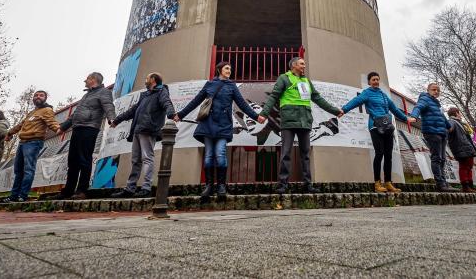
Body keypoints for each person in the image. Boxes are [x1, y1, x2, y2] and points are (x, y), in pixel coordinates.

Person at [175, 63, 261, 200]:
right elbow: (196, 101)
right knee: (209, 155)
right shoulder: (210, 84)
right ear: (219, 70)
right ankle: (209, 186)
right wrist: (180, 114)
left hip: (224, 124)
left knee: (220, 154)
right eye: (227, 68)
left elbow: (242, 104)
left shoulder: (232, 86)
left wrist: (256, 116)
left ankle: (221, 186)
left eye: (230, 69)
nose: (229, 70)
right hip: (208, 123)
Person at [257, 57, 342, 195]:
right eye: (302, 64)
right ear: (294, 65)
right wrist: (264, 113)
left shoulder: (306, 81)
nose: (304, 66)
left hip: (305, 121)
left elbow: (318, 99)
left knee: (305, 154)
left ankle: (308, 184)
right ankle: (283, 184)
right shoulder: (284, 78)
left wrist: (335, 111)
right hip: (289, 121)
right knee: (286, 153)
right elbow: (274, 96)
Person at [341, 71, 415, 194]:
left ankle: (388, 182)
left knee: (388, 155)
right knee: (379, 153)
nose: (376, 81)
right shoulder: (367, 94)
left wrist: (406, 118)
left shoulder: (384, 95)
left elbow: (395, 110)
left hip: (387, 127)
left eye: (377, 79)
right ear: (369, 82)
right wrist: (344, 110)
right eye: (373, 79)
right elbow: (355, 101)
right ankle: (377, 183)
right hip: (375, 126)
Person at [110, 73, 176, 198]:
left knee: (147, 158)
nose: (145, 80)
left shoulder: (161, 91)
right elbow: (132, 110)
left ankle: (146, 187)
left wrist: (172, 114)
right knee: (135, 160)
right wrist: (117, 120)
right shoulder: (144, 95)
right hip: (137, 129)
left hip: (148, 129)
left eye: (147, 78)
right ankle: (130, 188)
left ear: (153, 80)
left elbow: (166, 103)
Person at [56, 72, 115, 200]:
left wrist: (111, 118)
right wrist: (63, 127)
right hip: (77, 128)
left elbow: (108, 105)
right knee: (73, 161)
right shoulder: (86, 95)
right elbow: (75, 114)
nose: (85, 80)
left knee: (84, 159)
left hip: (90, 128)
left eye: (87, 78)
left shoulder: (104, 92)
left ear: (93, 79)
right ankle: (68, 190)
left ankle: (82, 190)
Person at [3, 90, 61, 202]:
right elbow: (20, 125)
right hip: (22, 142)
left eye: (41, 95)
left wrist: (59, 129)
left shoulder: (47, 110)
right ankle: (13, 196)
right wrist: (9, 133)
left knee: (28, 169)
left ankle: (23, 195)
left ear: (45, 98)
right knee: (18, 170)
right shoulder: (32, 112)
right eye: (36, 95)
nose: (38, 97)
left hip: (34, 142)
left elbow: (51, 122)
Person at [409, 83, 455, 192]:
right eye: (434, 89)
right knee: (436, 157)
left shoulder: (437, 104)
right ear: (428, 90)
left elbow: (442, 116)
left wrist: (448, 126)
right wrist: (414, 117)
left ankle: (444, 182)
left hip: (442, 132)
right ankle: (440, 183)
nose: (436, 92)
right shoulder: (425, 99)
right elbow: (418, 107)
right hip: (431, 131)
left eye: (438, 90)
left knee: (443, 158)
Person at [446, 107, 476, 193]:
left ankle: (471, 185)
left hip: (467, 148)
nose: (460, 115)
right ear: (456, 113)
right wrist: (449, 129)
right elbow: (449, 129)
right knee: (464, 167)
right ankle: (465, 186)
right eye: (459, 113)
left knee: (469, 167)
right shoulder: (452, 122)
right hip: (461, 148)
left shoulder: (461, 123)